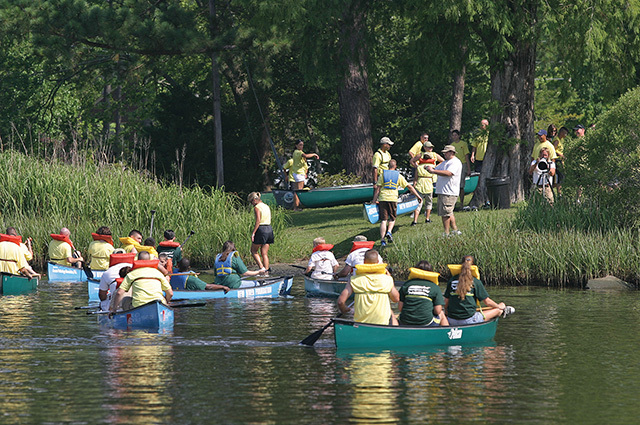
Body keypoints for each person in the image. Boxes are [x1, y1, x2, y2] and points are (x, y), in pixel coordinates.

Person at [444, 255, 514, 325]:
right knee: (499, 310)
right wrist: (499, 306)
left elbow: (446, 302)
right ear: (473, 266)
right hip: (469, 320)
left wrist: (446, 314)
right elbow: (487, 302)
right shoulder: (475, 282)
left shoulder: (451, 280)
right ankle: (503, 310)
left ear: (460, 265)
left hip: (451, 319)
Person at [337, 249, 399, 325]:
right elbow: (396, 299)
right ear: (378, 262)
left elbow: (340, 302)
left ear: (364, 261)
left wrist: (344, 309)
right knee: (392, 314)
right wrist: (390, 278)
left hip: (361, 324)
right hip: (382, 323)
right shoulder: (387, 279)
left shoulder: (354, 280)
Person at [371, 159, 422, 247]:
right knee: (392, 218)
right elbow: (409, 187)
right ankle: (389, 232)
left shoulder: (382, 175)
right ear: (395, 166)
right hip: (393, 199)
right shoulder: (399, 176)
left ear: (388, 166)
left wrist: (373, 201)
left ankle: (382, 240)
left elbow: (377, 189)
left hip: (383, 198)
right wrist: (418, 196)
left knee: (383, 220)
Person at [398, 261, 449, 326]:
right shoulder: (435, 287)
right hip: (426, 323)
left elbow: (400, 308)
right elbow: (437, 310)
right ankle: (447, 331)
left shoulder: (406, 284)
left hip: (405, 322)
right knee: (441, 313)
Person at [427, 145, 463, 236]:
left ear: (452, 152)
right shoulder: (445, 162)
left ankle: (446, 233)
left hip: (449, 192)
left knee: (445, 213)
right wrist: (428, 166)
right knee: (449, 212)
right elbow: (435, 169)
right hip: (443, 191)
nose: (444, 154)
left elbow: (449, 173)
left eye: (446, 152)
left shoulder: (455, 162)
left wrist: (433, 171)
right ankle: (455, 231)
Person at [248, 192, 274, 273]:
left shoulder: (257, 207)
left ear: (254, 200)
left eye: (251, 202)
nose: (251, 204)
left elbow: (258, 221)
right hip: (269, 229)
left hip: (261, 229)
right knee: (264, 253)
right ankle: (266, 270)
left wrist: (253, 233)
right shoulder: (266, 206)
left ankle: (261, 267)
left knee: (253, 250)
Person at [291, 139, 319, 211]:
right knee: (299, 191)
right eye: (300, 145)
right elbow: (305, 156)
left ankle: (296, 206)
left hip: (299, 173)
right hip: (299, 173)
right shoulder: (297, 152)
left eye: (302, 145)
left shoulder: (298, 152)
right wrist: (314, 154)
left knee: (297, 191)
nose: (301, 146)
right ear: (296, 145)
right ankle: (296, 207)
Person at [411, 155, 436, 225]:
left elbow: (415, 178)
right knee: (429, 202)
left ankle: (415, 221)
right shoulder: (432, 167)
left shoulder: (419, 167)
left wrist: (413, 187)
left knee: (418, 203)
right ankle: (427, 219)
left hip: (419, 185)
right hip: (428, 185)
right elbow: (434, 179)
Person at [450, 130, 471, 210]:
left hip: (462, 164)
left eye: (456, 135)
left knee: (461, 185)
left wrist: (468, 169)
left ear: (459, 136)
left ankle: (461, 202)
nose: (454, 137)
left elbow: (466, 156)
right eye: (453, 135)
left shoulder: (463, 144)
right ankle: (453, 203)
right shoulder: (452, 145)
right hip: (454, 165)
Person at [553, 126, 569, 196]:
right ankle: (559, 193)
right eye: (565, 133)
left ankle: (560, 192)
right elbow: (553, 150)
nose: (566, 135)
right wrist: (561, 155)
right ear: (562, 132)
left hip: (561, 160)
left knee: (562, 176)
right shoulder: (556, 140)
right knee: (560, 176)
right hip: (557, 160)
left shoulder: (561, 140)